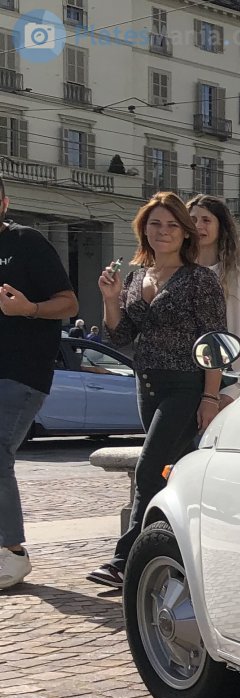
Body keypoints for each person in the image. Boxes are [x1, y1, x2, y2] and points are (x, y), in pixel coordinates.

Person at [86, 192, 227, 589]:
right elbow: (120, 336)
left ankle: (124, 560)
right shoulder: (136, 278)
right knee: (170, 474)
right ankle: (178, 555)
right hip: (146, 385)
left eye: (171, 225)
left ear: (185, 233)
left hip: (186, 385)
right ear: (143, 230)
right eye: (155, 224)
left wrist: (210, 397)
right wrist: (111, 300)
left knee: (149, 470)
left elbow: (214, 342)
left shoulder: (201, 279)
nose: (163, 232)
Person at [0, 177, 80, 589]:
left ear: (4, 203)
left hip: (20, 372)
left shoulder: (26, 242)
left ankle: (12, 553)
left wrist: (29, 308)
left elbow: (69, 303)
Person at [186, 195, 240, 404]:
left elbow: (237, 337)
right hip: (178, 381)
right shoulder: (177, 271)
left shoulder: (236, 279)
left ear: (221, 227)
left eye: (206, 220)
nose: (198, 226)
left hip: (216, 388)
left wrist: (231, 390)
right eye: (193, 220)